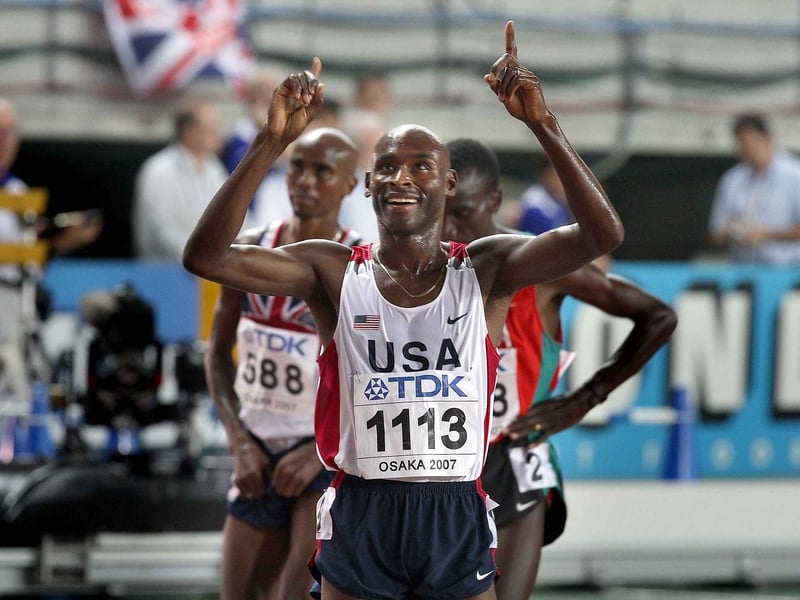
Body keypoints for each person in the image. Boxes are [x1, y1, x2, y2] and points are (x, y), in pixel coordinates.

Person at [183, 20, 624, 600]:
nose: (402, 177)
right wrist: (271, 143)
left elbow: (601, 234)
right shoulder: (333, 269)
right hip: (362, 505)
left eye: (420, 166)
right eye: (388, 166)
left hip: (454, 507)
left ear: (448, 182)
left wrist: (543, 123)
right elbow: (206, 256)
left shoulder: (487, 268)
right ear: (368, 186)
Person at [443, 137, 678, 600]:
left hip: (513, 458)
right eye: (440, 211)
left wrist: (582, 400)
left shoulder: (544, 267)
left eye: (462, 212)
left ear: (494, 202)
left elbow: (658, 317)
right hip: (438, 466)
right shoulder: (426, 269)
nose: (448, 225)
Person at [205, 126, 362, 600]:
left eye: (323, 170)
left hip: (322, 456)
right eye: (297, 166)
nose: (306, 181)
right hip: (255, 447)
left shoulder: (360, 268)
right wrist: (238, 442)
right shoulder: (248, 251)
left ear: (349, 185)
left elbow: (375, 381)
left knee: (293, 591)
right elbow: (216, 354)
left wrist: (316, 450)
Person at [131, 97, 228, 261]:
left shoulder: (214, 168)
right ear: (188, 132)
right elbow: (162, 232)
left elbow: (231, 213)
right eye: (211, 129)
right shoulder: (158, 170)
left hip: (207, 271)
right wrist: (202, 259)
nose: (218, 135)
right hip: (165, 275)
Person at [707, 112, 800, 264]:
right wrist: (733, 231)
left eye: (751, 143)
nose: (747, 149)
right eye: (742, 144)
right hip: (745, 270)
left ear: (767, 138)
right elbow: (715, 235)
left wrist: (764, 236)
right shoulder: (732, 179)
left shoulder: (795, 174)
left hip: (789, 271)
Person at [516, 159, 570, 234]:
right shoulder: (535, 202)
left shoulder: (558, 202)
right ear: (545, 176)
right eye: (557, 176)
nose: (562, 181)